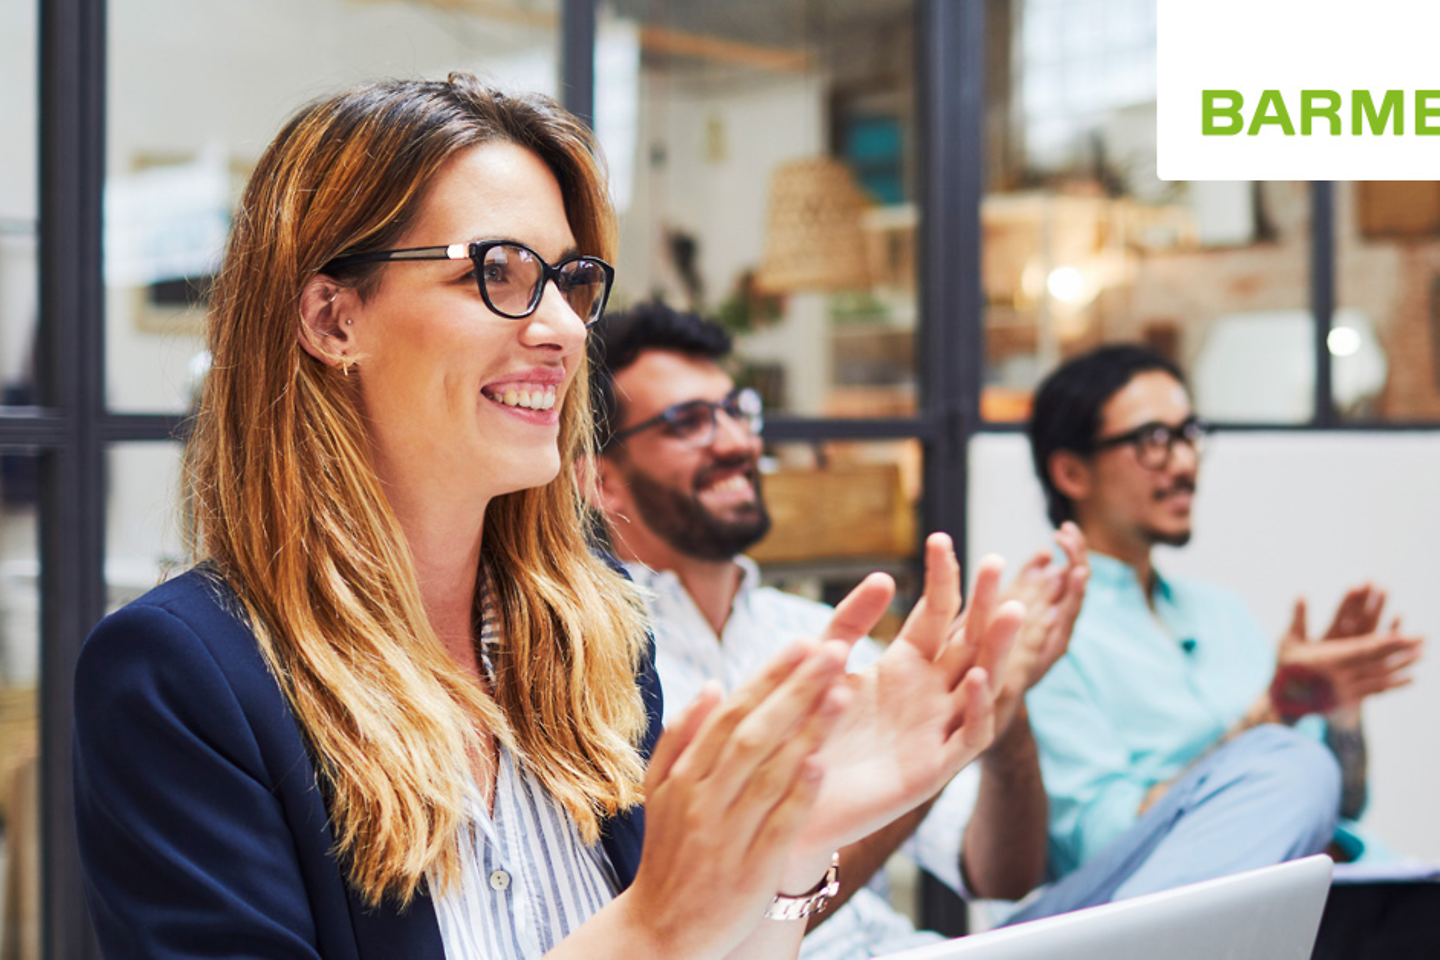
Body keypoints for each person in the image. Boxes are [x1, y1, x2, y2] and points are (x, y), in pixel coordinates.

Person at [72, 75, 1027, 960]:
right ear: (332, 320)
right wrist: (652, 924)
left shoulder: (595, 630)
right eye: (498, 271)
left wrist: (798, 844)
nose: (566, 328)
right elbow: (658, 936)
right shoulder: (180, 677)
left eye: (570, 281)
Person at [593, 305, 1306, 957]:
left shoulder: (820, 632)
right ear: (603, 482)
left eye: (736, 411)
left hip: (929, 949)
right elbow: (700, 930)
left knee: (1286, 767)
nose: (734, 442)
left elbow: (998, 873)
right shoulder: (596, 673)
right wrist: (916, 756)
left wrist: (1001, 710)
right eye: (686, 422)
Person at [1024, 344, 1423, 892]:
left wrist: (1338, 713)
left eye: (1188, 434)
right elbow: (1105, 849)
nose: (1185, 463)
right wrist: (1273, 715)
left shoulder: (1220, 612)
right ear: (1072, 472)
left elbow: (1341, 802)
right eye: (1153, 440)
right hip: (1161, 909)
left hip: (1334, 885)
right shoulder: (1041, 634)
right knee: (1292, 764)